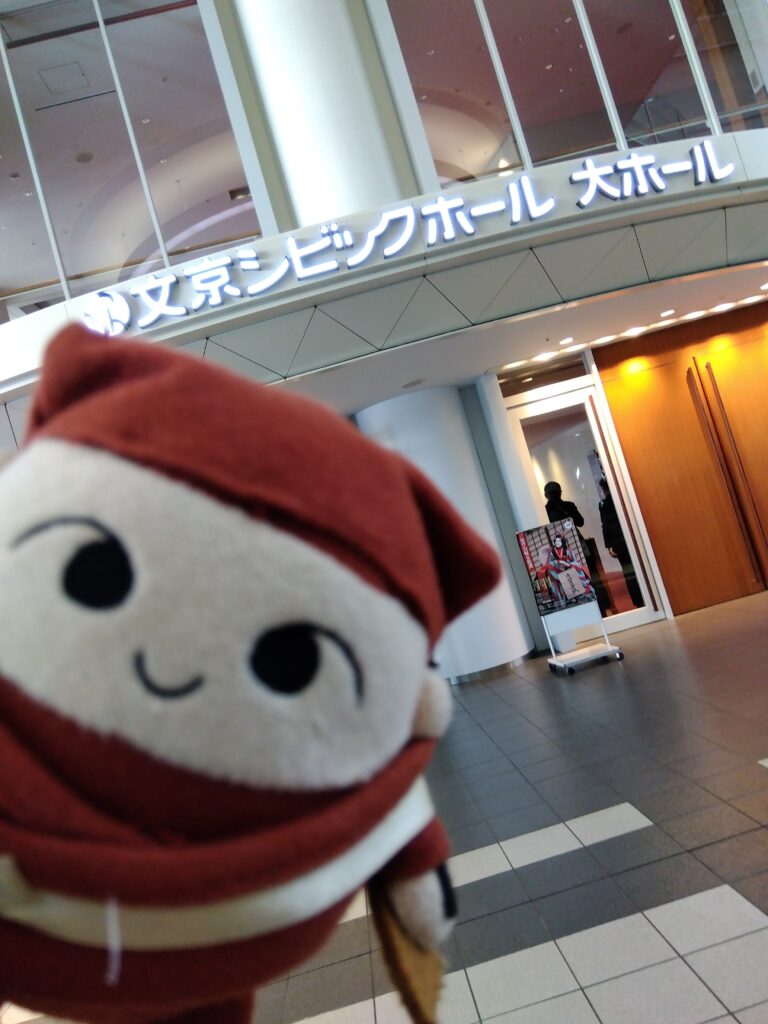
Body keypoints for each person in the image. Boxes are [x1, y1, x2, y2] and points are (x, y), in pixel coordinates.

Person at [543, 480, 613, 615]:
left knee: (571, 580)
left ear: (546, 495)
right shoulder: (568, 506)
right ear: (560, 492)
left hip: (563, 550)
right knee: (589, 575)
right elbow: (580, 522)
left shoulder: (546, 510)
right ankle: (601, 608)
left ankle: (586, 611)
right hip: (576, 544)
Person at [598, 478, 643, 608]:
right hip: (632, 536)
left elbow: (605, 525)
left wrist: (609, 545)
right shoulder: (622, 498)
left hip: (618, 541)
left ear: (604, 490)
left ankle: (638, 601)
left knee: (628, 571)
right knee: (642, 565)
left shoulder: (603, 504)